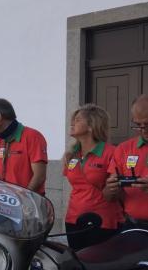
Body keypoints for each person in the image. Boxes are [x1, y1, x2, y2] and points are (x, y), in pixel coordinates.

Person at [63, 104, 123, 250]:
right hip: (74, 219)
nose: (72, 124)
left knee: (101, 267)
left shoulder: (112, 152)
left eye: (77, 120)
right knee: (78, 265)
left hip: (102, 221)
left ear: (91, 126)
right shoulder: (71, 155)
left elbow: (117, 191)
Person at [0, 98, 48, 194]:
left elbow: (39, 176)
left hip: (30, 203)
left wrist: (23, 198)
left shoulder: (33, 136)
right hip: (4, 203)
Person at [104, 94, 148, 229]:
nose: (143, 130)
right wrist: (111, 189)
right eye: (138, 125)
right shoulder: (123, 149)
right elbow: (108, 196)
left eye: (147, 124)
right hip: (132, 225)